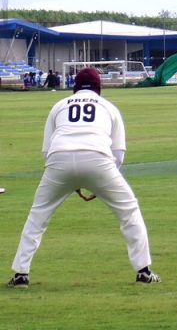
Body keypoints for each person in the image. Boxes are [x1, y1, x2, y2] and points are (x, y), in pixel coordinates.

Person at [7, 68, 160, 289]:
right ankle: (143, 271)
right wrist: (98, 183)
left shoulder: (59, 106)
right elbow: (118, 154)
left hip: (59, 160)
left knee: (38, 216)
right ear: (99, 88)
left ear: (75, 87)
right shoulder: (109, 107)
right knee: (129, 212)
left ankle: (21, 273)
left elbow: (47, 151)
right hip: (98, 159)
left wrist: (72, 181)